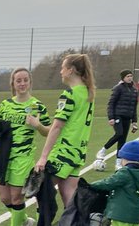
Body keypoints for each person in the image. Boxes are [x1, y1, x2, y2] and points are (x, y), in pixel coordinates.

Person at [0, 68, 50, 226]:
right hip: (4, 156)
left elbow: (48, 131)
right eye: (18, 81)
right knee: (4, 198)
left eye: (25, 80)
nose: (22, 84)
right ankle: (25, 221)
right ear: (13, 84)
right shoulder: (5, 104)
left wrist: (37, 125)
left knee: (16, 197)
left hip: (23, 157)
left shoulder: (38, 106)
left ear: (30, 82)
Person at [33, 53, 96, 207]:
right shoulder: (88, 94)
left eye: (63, 68)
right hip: (78, 152)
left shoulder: (69, 94)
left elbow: (57, 127)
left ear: (71, 70)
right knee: (68, 197)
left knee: (40, 189)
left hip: (63, 152)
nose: (61, 71)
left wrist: (43, 157)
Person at [94, 71, 138, 169]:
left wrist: (134, 121)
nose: (130, 78)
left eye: (131, 76)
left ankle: (118, 163)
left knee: (122, 140)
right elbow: (111, 104)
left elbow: (134, 107)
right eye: (127, 76)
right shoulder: (118, 88)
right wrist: (111, 118)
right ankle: (103, 150)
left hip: (128, 117)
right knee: (119, 133)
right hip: (118, 116)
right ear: (123, 78)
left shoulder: (135, 90)